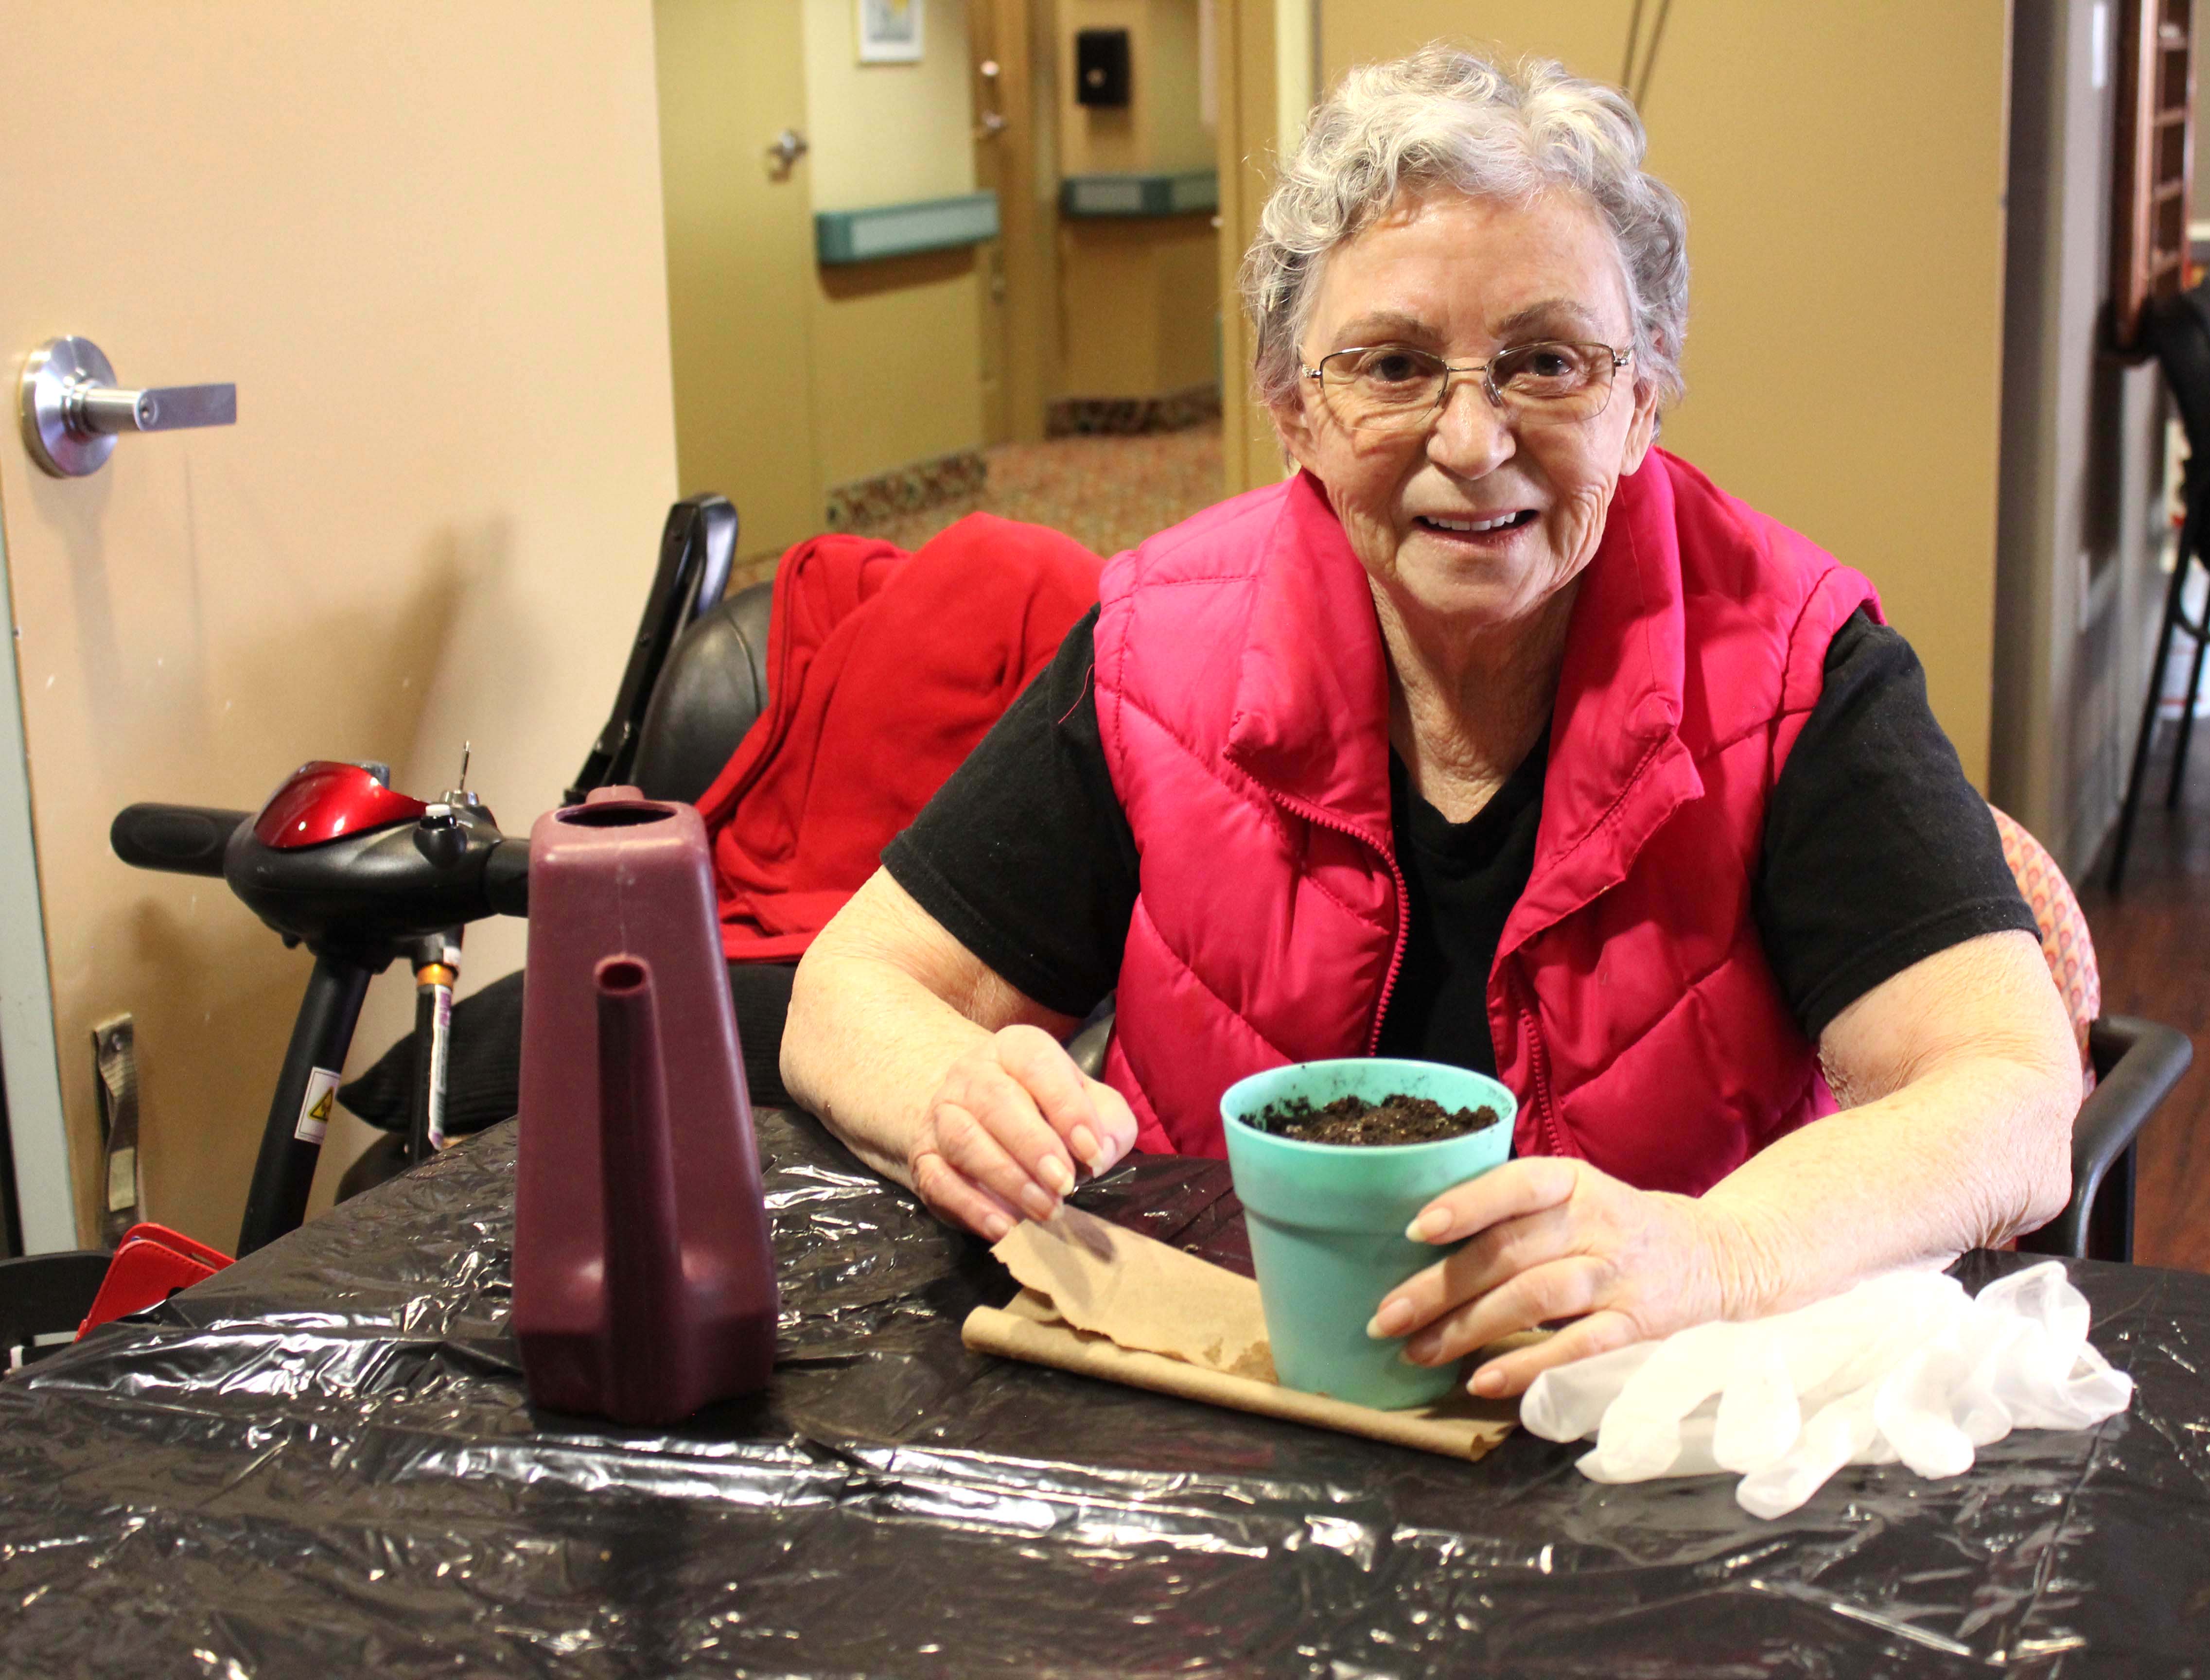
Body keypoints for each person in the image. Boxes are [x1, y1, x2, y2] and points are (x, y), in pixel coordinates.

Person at [782, 47, 2081, 1400]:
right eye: (1395, 366)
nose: (1473, 441)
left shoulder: (1799, 662)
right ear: (1298, 414)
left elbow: (2009, 1089)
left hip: (1637, 1423)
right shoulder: (1159, 641)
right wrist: (956, 1096)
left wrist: (1719, 1252)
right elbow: (851, 991)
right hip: (1230, 1403)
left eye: (1548, 363)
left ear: (1640, 404)